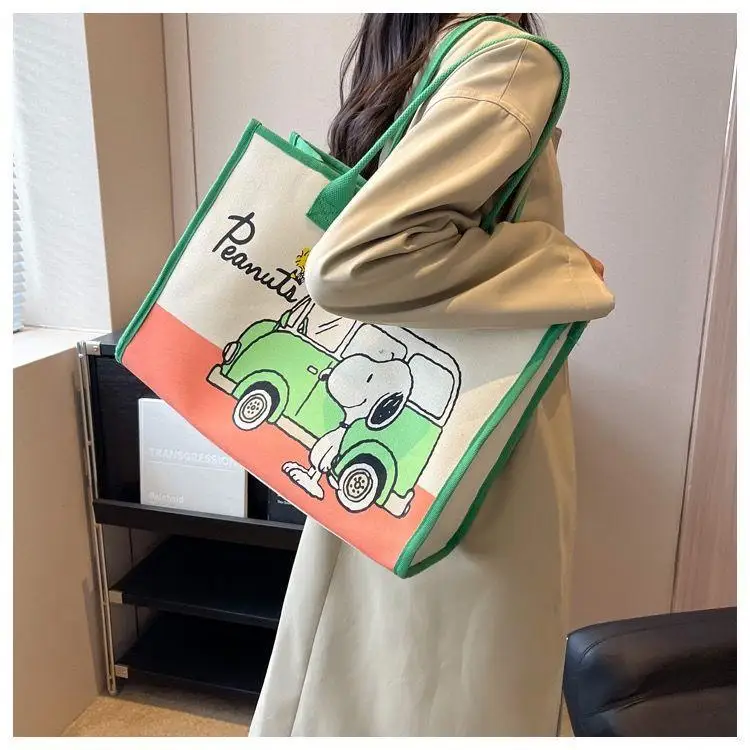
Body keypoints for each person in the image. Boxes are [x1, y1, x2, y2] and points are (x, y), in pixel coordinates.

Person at [250, 13, 614, 737]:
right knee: (468, 680)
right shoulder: (510, 59)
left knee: (374, 667)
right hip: (480, 422)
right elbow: (353, 265)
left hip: (403, 398)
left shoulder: (422, 58)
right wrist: (562, 266)